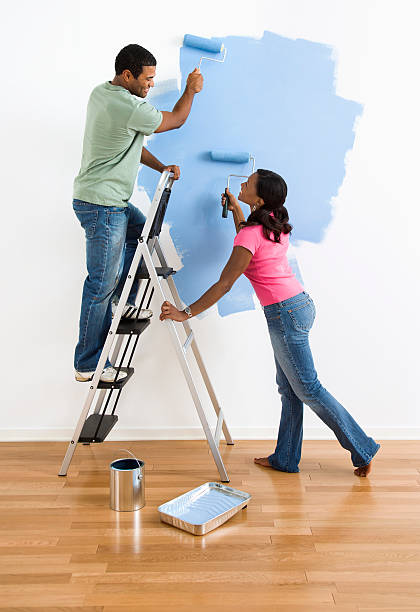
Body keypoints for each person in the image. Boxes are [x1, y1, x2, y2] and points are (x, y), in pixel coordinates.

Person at [159, 169, 380, 477]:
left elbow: (225, 283)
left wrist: (185, 313)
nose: (242, 184)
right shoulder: (274, 223)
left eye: (247, 184)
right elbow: (250, 244)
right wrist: (238, 208)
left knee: (308, 389)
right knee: (290, 389)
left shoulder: (252, 232)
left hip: (284, 313)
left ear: (259, 199)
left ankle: (362, 446)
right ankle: (285, 458)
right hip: (297, 305)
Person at [73, 44, 203, 383]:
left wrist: (161, 167)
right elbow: (176, 120)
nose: (150, 86)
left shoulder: (102, 94)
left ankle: (123, 299)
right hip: (103, 206)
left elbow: (130, 143)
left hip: (104, 200)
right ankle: (88, 363)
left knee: (143, 236)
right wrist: (190, 90)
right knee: (100, 282)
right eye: (146, 80)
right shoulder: (129, 105)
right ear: (127, 75)